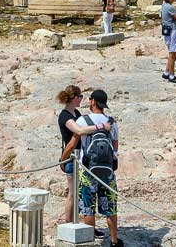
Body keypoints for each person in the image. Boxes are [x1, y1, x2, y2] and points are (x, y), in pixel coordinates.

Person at [59, 89, 120, 247]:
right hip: (107, 172)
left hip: (87, 170)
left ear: (93, 102)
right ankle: (114, 241)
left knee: (88, 207)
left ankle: (89, 240)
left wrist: (63, 160)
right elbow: (115, 147)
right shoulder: (111, 122)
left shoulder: (82, 120)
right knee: (110, 207)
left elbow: (72, 144)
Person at [55, 85, 84, 224]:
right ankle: (68, 223)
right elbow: (77, 132)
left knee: (79, 193)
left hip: (80, 155)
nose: (81, 100)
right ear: (75, 98)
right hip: (72, 157)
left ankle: (76, 221)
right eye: (81, 97)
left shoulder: (76, 113)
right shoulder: (65, 116)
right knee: (72, 194)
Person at [159, 0, 176, 83]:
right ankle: (172, 75)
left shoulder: (163, 5)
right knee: (173, 54)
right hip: (172, 30)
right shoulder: (170, 7)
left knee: (175, 52)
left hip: (166, 29)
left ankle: (166, 72)